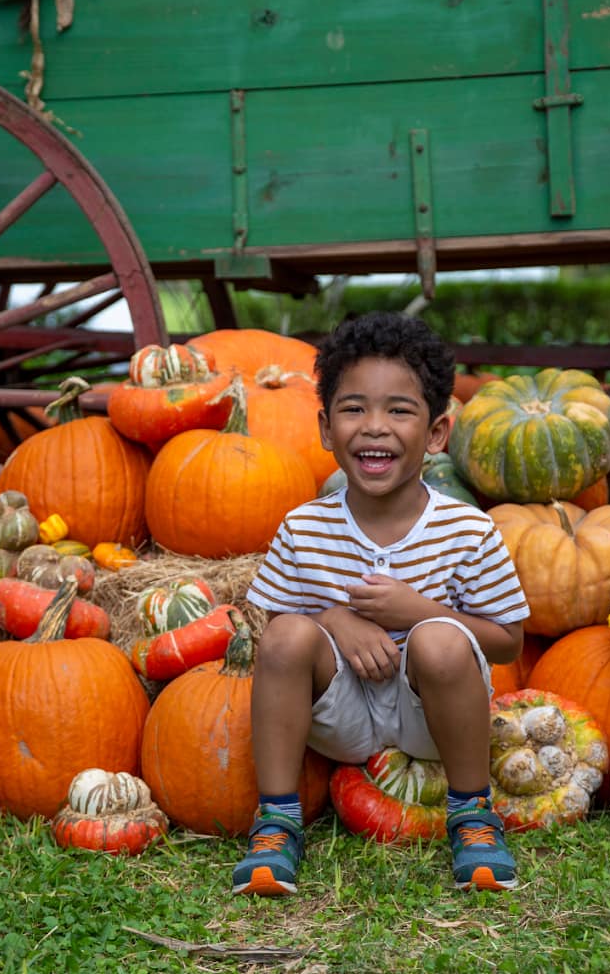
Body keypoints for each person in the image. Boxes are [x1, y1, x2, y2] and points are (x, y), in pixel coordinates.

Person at [232, 311, 529, 896]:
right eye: (353, 408)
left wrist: (419, 611)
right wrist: (336, 620)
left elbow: (507, 641)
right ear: (324, 428)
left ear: (437, 433)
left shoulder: (466, 530)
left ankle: (472, 814)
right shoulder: (304, 527)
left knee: (440, 640)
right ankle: (276, 822)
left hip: (431, 721)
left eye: (399, 410)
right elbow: (263, 626)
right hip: (339, 715)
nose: (374, 427)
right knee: (288, 636)